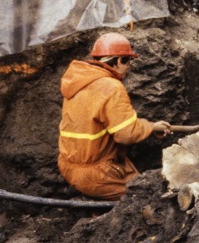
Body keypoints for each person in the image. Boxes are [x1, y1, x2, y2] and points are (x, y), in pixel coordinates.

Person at [58, 32, 171, 200]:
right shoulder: (111, 87)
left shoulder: (79, 81)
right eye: (127, 61)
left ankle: (95, 203)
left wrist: (150, 127)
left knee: (140, 180)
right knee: (148, 198)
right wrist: (150, 127)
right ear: (118, 60)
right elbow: (126, 134)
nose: (129, 67)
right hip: (96, 174)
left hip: (68, 166)